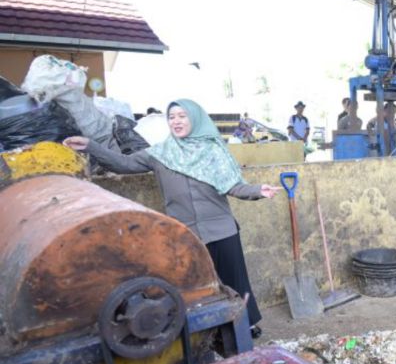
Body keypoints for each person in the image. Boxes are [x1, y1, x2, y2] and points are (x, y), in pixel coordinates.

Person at [63, 99, 282, 339]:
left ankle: (247, 323)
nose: (176, 121)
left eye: (182, 116)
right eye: (172, 117)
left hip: (220, 229)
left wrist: (258, 191)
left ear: (195, 119)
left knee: (234, 279)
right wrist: (91, 146)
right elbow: (123, 163)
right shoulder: (160, 154)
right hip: (184, 232)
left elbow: (234, 186)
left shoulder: (214, 150)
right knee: (196, 285)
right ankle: (213, 330)